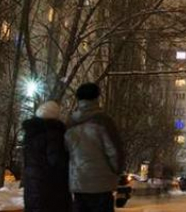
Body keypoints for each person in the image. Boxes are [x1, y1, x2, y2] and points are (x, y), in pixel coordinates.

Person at [65, 82, 125, 212]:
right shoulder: (104, 121)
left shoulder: (70, 123)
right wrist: (117, 171)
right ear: (97, 98)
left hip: (78, 183)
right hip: (101, 184)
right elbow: (114, 151)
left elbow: (66, 153)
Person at [22, 100, 72, 212]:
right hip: (50, 188)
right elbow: (57, 161)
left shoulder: (30, 134)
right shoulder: (53, 133)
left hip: (32, 187)